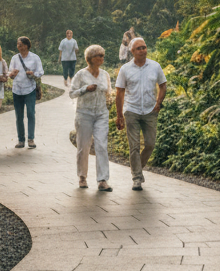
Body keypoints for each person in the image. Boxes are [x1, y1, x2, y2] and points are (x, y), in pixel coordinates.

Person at [115, 37, 167, 191]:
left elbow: (163, 85)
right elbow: (119, 93)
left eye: (144, 47)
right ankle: (137, 177)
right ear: (132, 51)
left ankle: (138, 168)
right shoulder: (125, 69)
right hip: (132, 110)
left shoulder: (155, 66)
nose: (143, 50)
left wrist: (158, 103)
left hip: (151, 111)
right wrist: (119, 115)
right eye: (139, 48)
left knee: (150, 144)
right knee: (134, 146)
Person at [69, 44, 113, 191]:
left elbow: (109, 92)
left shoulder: (105, 74)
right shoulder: (81, 74)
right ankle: (82, 177)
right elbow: (71, 93)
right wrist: (85, 89)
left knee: (101, 145)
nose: (101, 58)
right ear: (90, 58)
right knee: (83, 146)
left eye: (102, 56)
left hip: (101, 113)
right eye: (98, 56)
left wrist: (110, 103)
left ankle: (102, 180)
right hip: (84, 113)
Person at [8, 36, 44, 148]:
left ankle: (31, 139)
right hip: (17, 89)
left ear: (26, 45)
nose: (19, 46)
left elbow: (41, 71)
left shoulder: (35, 57)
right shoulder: (14, 58)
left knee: (31, 113)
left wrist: (33, 73)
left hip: (30, 89)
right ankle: (21, 140)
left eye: (21, 44)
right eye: (18, 44)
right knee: (19, 116)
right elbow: (10, 73)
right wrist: (12, 74)